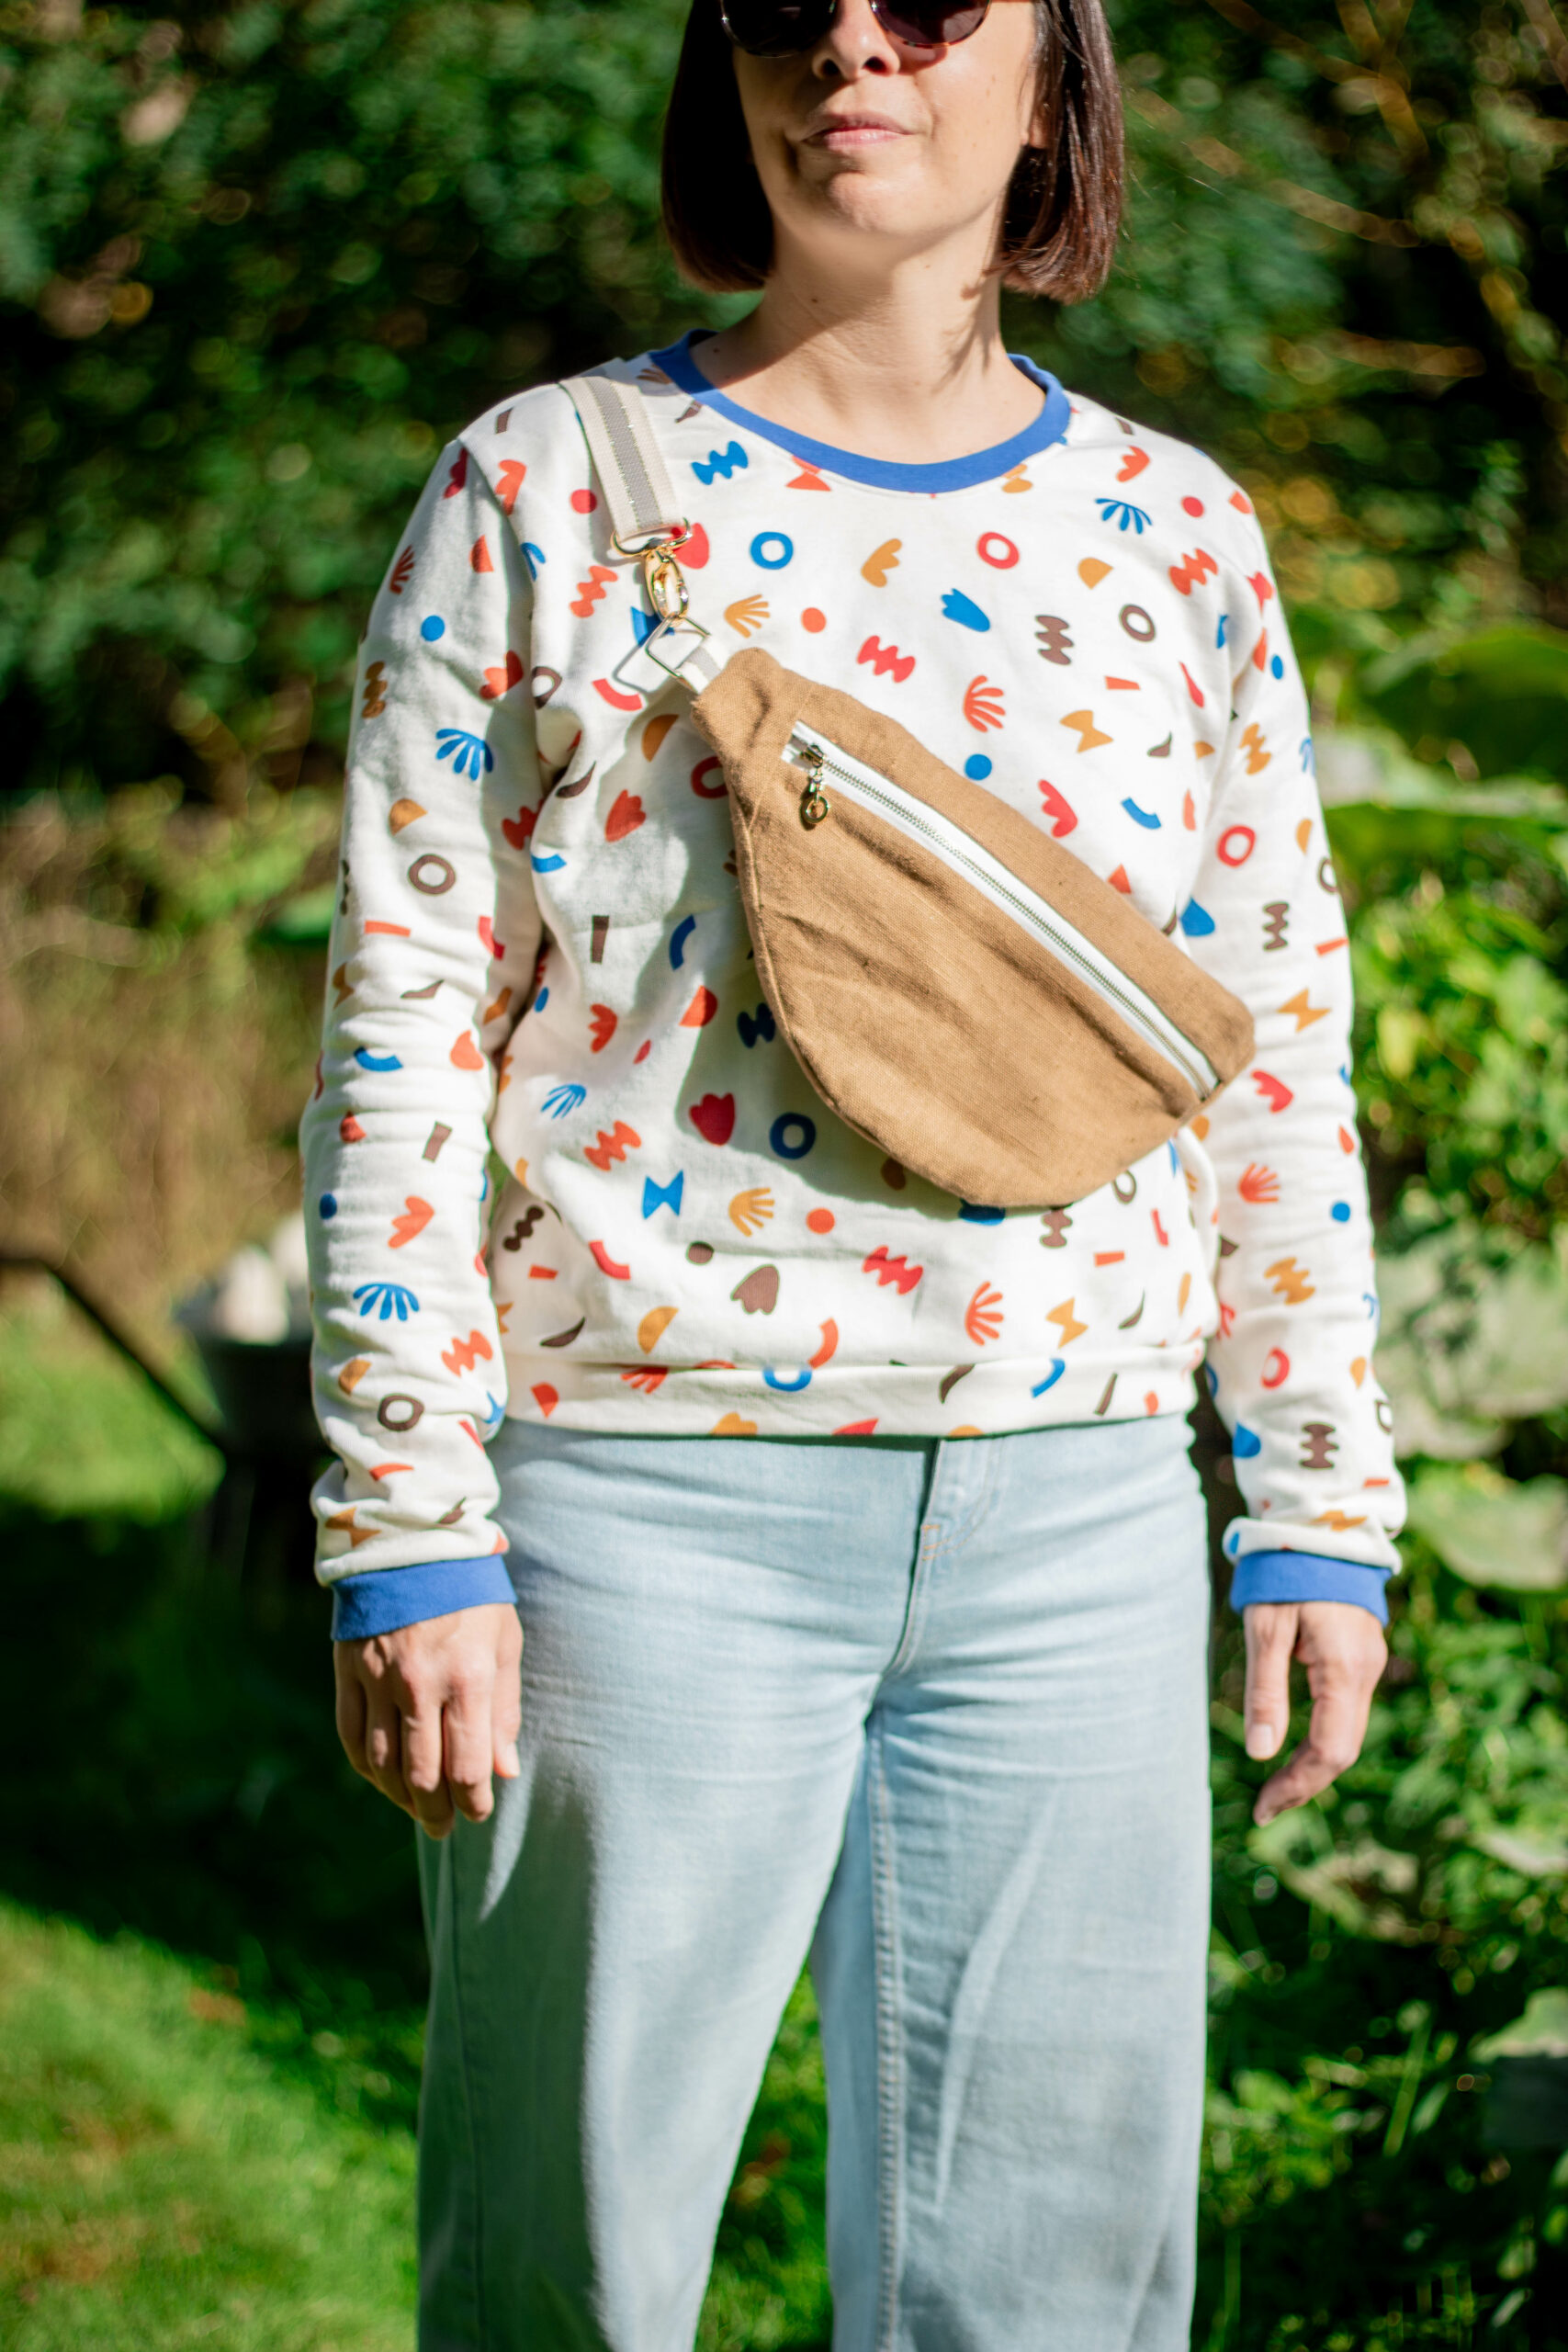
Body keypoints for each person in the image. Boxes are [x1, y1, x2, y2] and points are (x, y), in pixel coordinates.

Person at [303, 1, 1405, 2343]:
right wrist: (405, 1519)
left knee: (1050, 2296)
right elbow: (401, 1024)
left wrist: (1313, 1488)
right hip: (636, 1517)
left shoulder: (1178, 533)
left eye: (926, 2)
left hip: (1079, 1523)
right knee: (568, 2278)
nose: (848, 46)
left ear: (1052, 71)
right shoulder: (538, 487)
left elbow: (1268, 1039)